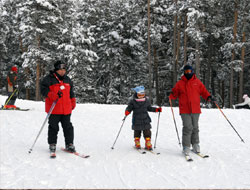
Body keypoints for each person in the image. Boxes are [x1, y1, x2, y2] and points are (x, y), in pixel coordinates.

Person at [169, 65, 211, 156]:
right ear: (184, 72)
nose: (188, 73)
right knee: (188, 127)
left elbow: (204, 91)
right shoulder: (180, 83)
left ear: (192, 71)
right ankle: (186, 146)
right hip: (185, 109)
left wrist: (208, 96)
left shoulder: (197, 82)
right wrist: (171, 94)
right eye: (186, 71)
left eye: (189, 71)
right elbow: (174, 94)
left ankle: (195, 144)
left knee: (195, 128)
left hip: (195, 109)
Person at [40, 60, 76, 153]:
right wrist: (51, 94)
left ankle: (69, 144)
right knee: (53, 127)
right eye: (60, 69)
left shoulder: (67, 79)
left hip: (66, 109)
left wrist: (73, 100)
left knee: (68, 127)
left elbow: (71, 92)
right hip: (54, 108)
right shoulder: (48, 79)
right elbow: (43, 90)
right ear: (56, 70)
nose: (63, 71)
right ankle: (52, 144)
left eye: (64, 69)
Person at [125, 86, 162, 150]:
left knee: (147, 131)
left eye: (143, 94)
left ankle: (148, 142)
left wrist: (156, 110)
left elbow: (149, 108)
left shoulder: (146, 101)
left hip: (145, 119)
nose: (141, 96)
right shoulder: (133, 101)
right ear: (136, 94)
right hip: (136, 119)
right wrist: (127, 111)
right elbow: (129, 108)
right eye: (139, 94)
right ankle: (137, 142)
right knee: (137, 131)